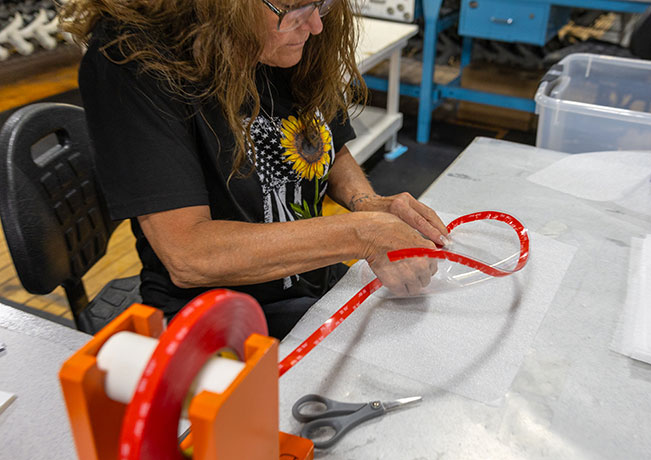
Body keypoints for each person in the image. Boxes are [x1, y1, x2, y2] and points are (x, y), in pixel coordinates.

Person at [59, 0, 449, 338]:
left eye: (321, 5)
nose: (315, 25)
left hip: (310, 285)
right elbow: (189, 254)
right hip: (217, 320)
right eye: (293, 8)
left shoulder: (288, 39)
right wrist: (360, 233)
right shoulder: (132, 57)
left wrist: (366, 202)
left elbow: (326, 140)